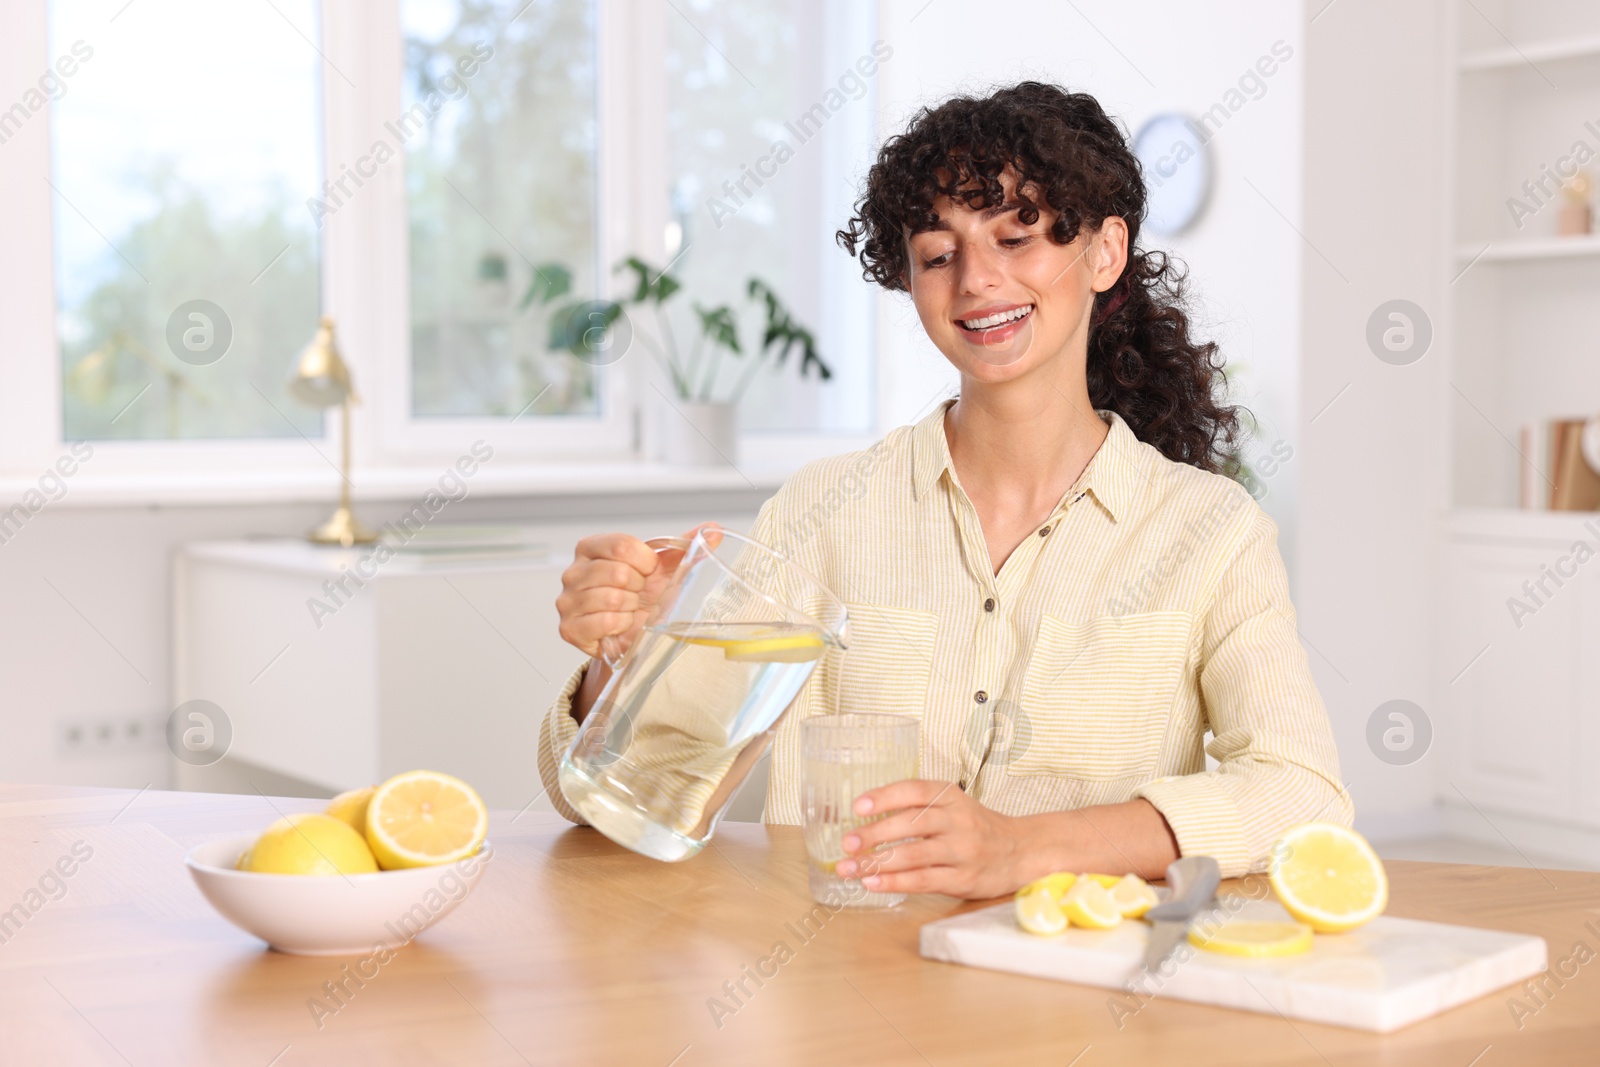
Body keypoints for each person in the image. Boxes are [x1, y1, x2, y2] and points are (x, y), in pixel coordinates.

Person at [541, 81, 1350, 899]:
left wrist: (1023, 849)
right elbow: (642, 792)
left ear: (1105, 252)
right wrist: (622, 664)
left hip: (1080, 996)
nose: (976, 281)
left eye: (1017, 236)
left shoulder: (1215, 533)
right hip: (837, 981)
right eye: (939, 253)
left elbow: (1300, 791)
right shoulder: (823, 513)